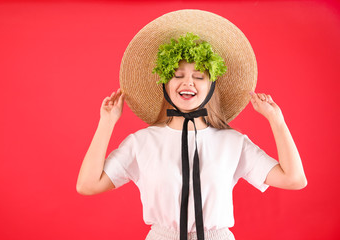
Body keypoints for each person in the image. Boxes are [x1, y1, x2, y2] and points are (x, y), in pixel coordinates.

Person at [76, 10, 307, 240]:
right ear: (165, 84)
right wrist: (106, 124)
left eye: (199, 77)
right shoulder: (141, 142)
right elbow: (87, 185)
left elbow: (294, 179)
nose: (188, 82)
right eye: (178, 75)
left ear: (211, 87)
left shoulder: (233, 142)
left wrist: (277, 122)